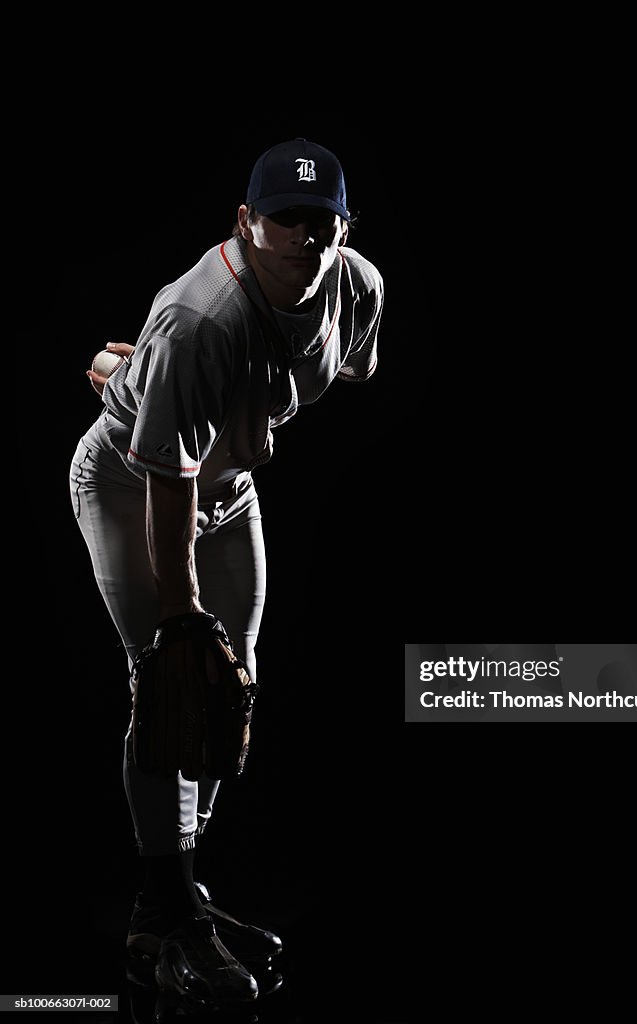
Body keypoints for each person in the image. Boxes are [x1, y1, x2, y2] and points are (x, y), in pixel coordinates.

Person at [69, 138, 383, 1008]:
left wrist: (147, 378)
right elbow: (167, 477)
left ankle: (179, 894)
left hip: (227, 486)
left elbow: (326, 369)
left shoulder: (355, 289)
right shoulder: (199, 317)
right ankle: (160, 907)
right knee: (172, 678)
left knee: (229, 688)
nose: (305, 236)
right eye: (285, 217)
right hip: (133, 484)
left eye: (324, 221)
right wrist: (181, 610)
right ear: (246, 223)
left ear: (345, 227)